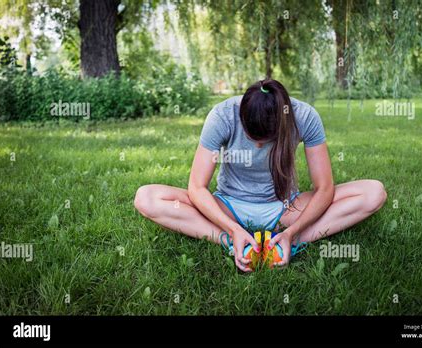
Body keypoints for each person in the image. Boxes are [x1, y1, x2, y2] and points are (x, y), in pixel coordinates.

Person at [134, 79, 387, 272]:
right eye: (251, 137)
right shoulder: (222, 115)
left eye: (265, 140)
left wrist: (292, 231)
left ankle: (289, 240)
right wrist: (230, 228)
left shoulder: (305, 116)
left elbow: (324, 188)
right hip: (229, 206)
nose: (257, 146)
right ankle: (232, 241)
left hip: (287, 208)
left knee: (373, 193)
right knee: (146, 198)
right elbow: (197, 187)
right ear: (241, 114)